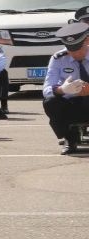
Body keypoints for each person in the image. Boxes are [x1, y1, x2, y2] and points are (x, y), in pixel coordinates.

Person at [41, 21, 89, 155]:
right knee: (50, 102)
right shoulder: (58, 58)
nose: (75, 54)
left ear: (86, 41)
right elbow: (47, 89)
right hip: (72, 103)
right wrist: (62, 90)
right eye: (71, 50)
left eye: (78, 49)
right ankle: (70, 138)